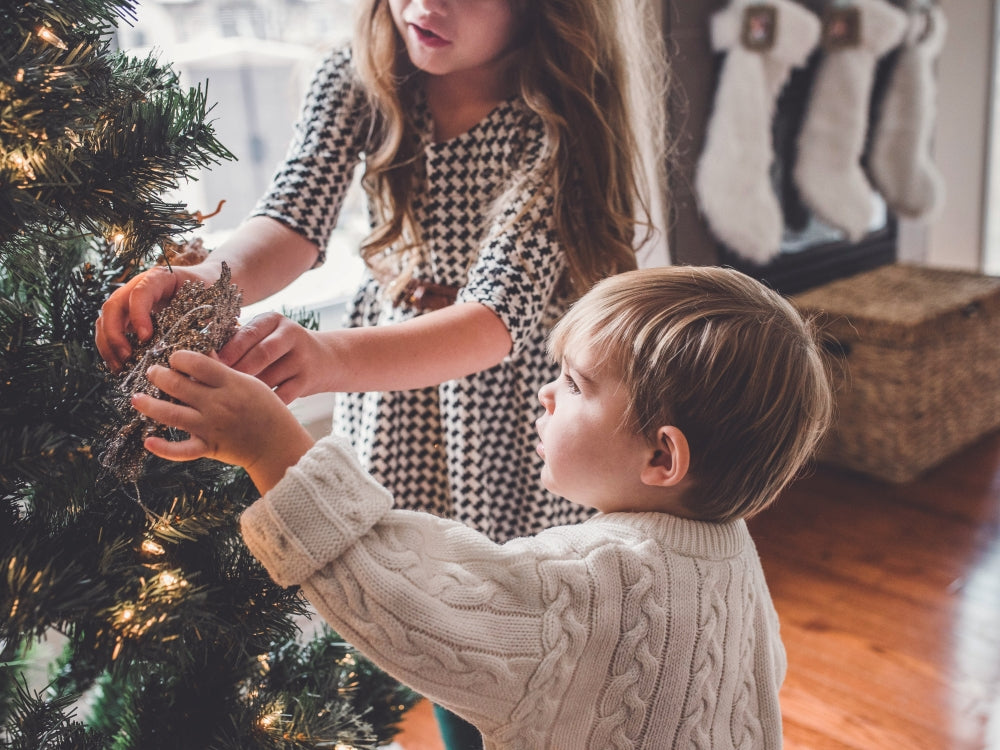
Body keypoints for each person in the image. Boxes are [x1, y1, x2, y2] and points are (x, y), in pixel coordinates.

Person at [97, 2, 668, 743]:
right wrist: (213, 278)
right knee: (417, 610)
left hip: (509, 416)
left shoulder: (556, 120)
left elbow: (494, 320)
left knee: (505, 634)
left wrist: (329, 356)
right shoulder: (360, 76)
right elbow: (293, 220)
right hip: (397, 409)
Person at [130, 265, 834, 749]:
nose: (545, 394)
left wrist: (272, 450)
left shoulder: (593, 581)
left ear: (662, 459)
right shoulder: (730, 550)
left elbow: (402, 596)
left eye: (576, 384)